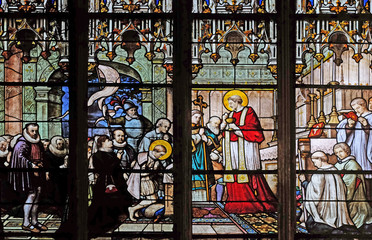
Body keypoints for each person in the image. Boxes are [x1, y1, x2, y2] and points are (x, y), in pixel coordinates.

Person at [221, 91, 277, 213]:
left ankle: (251, 203)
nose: (229, 105)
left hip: (246, 147)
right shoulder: (230, 114)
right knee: (234, 173)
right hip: (232, 148)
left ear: (237, 102)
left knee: (248, 172)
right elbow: (223, 132)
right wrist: (224, 122)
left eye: (231, 103)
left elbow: (254, 131)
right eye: (229, 103)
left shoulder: (249, 111)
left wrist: (237, 129)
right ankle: (235, 203)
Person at [299, 151, 357, 234]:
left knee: (311, 224)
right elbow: (343, 188)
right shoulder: (334, 170)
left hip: (324, 213)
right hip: (336, 210)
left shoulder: (318, 174)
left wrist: (304, 181)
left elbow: (316, 194)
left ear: (320, 159)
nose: (315, 164)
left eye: (315, 162)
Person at [88, 135, 132, 237]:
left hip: (116, 181)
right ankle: (104, 225)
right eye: (108, 140)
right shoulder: (97, 155)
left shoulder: (111, 153)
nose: (111, 141)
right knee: (104, 203)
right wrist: (118, 158)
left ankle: (114, 221)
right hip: (105, 183)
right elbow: (106, 169)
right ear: (102, 143)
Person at [9, 123, 48, 233]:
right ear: (27, 131)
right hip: (28, 174)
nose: (35, 133)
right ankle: (26, 222)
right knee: (31, 195)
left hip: (38, 172)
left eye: (36, 131)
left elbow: (42, 156)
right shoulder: (22, 143)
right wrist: (32, 165)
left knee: (37, 195)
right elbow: (20, 157)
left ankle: (34, 221)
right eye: (32, 131)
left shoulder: (38, 142)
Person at [336, 98, 372, 202]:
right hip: (354, 152)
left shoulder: (370, 117)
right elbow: (341, 130)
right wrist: (349, 126)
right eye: (354, 109)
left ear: (363, 105)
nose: (356, 111)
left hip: (365, 152)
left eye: (358, 108)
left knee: (367, 182)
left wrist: (366, 126)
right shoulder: (355, 117)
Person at [333, 143, 372, 232]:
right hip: (341, 194)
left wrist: (344, 198)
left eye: (340, 151)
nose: (339, 154)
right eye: (336, 153)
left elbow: (350, 184)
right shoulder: (338, 164)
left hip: (354, 196)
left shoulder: (352, 164)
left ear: (347, 151)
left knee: (355, 214)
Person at [127, 141, 169, 221]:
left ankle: (138, 211)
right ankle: (132, 209)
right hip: (143, 182)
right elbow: (140, 173)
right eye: (160, 155)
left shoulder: (155, 160)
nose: (161, 157)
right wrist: (153, 171)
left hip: (150, 181)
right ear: (155, 151)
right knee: (152, 199)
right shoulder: (144, 158)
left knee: (154, 198)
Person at [191, 110, 214, 201]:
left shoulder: (203, 129)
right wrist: (199, 136)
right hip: (192, 159)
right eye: (196, 117)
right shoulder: (185, 129)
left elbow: (214, 141)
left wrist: (207, 139)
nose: (198, 119)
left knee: (204, 177)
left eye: (199, 118)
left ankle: (206, 199)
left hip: (203, 158)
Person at [44, 136, 69, 214]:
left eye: (62, 144)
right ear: (54, 144)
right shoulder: (48, 154)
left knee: (63, 192)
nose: (60, 146)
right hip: (54, 176)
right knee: (56, 192)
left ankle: (63, 208)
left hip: (63, 176)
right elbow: (49, 166)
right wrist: (62, 166)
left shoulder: (65, 152)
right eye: (58, 144)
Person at [205, 116, 225, 201]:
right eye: (215, 123)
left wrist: (217, 152)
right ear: (209, 123)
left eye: (218, 124)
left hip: (216, 161)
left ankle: (218, 200)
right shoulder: (205, 133)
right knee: (208, 181)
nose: (216, 125)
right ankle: (209, 200)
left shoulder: (218, 134)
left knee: (221, 180)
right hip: (206, 161)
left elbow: (221, 146)